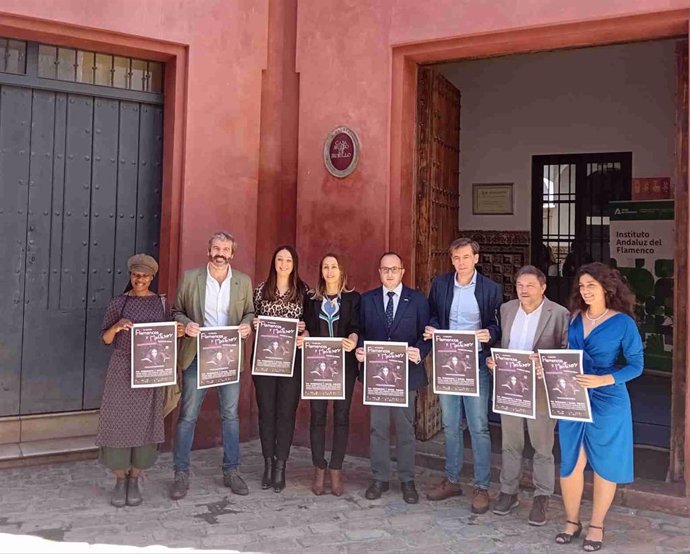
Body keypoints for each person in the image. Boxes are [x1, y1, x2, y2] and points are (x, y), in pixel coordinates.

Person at [554, 262, 643, 551]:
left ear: (607, 287)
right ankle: (571, 521)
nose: (585, 290)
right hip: (573, 397)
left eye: (591, 285)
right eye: (581, 286)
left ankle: (596, 525)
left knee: (605, 464)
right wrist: (549, 369)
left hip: (609, 400)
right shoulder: (575, 318)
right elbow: (568, 356)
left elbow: (636, 366)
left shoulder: (623, 323)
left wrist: (605, 379)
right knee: (571, 462)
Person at [169, 232, 254, 500]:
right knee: (187, 416)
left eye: (225, 249)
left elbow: (249, 312)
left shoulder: (243, 281)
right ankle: (181, 473)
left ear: (232, 253)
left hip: (228, 356)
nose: (220, 252)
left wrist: (247, 325)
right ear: (208, 250)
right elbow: (176, 310)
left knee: (230, 416)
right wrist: (187, 324)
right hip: (196, 355)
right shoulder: (191, 277)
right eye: (216, 247)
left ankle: (231, 470)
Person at [97, 254, 184, 507]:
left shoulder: (161, 304)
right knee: (117, 422)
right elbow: (105, 339)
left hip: (151, 372)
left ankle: (135, 478)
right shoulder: (118, 303)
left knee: (146, 423)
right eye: (136, 275)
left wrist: (178, 332)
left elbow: (168, 336)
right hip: (122, 368)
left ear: (152, 277)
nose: (140, 280)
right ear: (130, 275)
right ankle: (119, 480)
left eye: (145, 276)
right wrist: (116, 327)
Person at [486, 265, 569, 525]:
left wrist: (544, 364)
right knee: (510, 442)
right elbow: (503, 344)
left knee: (542, 446)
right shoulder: (507, 309)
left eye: (530, 285)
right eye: (520, 285)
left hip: (542, 388)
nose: (524, 290)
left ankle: (542, 496)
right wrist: (494, 361)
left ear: (543, 288)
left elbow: (566, 352)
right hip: (510, 385)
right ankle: (508, 492)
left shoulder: (559, 313)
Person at [424, 237, 502, 514]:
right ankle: (452, 479)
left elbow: (497, 324)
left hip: (477, 363)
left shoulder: (491, 289)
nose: (461, 262)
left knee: (479, 426)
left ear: (476, 258)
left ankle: (481, 486)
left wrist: (490, 334)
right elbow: (432, 315)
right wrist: (431, 328)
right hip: (447, 363)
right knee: (450, 423)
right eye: (456, 257)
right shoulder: (442, 284)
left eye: (466, 257)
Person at [355, 252, 430, 504]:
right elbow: (361, 332)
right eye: (385, 269)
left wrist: (419, 351)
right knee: (378, 428)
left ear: (402, 272)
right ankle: (380, 478)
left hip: (406, 376)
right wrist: (361, 348)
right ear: (379, 272)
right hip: (377, 376)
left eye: (394, 269)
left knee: (405, 428)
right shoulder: (367, 300)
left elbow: (425, 334)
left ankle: (407, 480)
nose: (389, 273)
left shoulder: (417, 300)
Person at [303, 253, 360, 496]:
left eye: (334, 266)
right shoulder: (311, 300)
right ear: (321, 271)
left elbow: (357, 326)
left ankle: (336, 468)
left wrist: (354, 339)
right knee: (317, 415)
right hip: (317, 368)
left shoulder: (353, 299)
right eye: (325, 266)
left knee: (341, 416)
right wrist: (304, 336)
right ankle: (319, 467)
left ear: (341, 270)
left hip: (344, 366)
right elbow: (305, 326)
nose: (329, 271)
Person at [253, 245, 309, 493]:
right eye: (279, 259)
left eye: (288, 260)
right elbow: (249, 318)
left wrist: (305, 332)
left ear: (294, 263)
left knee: (286, 413)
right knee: (267, 412)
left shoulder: (304, 292)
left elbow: (311, 328)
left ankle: (281, 466)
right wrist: (254, 324)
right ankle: (267, 463)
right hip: (264, 362)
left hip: (292, 363)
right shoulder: (260, 291)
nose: (284, 264)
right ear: (273, 262)